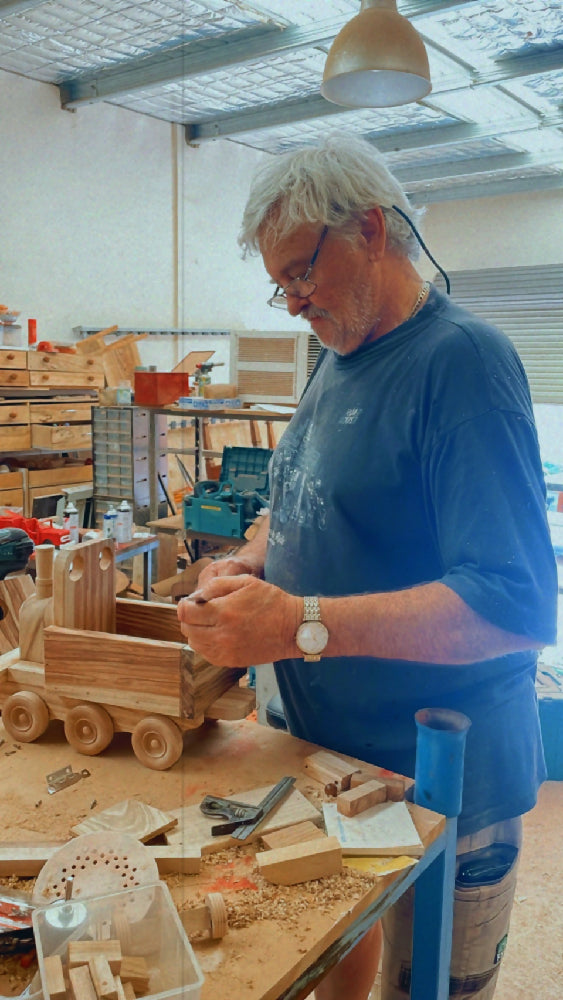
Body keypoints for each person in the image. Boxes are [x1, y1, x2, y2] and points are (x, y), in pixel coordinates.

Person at [177, 134, 558, 1000]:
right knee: (329, 964)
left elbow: (516, 604)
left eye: (302, 272)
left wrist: (298, 623)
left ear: (373, 230)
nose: (292, 302)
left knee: (428, 990)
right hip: (333, 761)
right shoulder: (337, 354)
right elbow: (299, 495)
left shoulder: (461, 362)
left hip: (443, 777)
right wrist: (244, 561)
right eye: (281, 282)